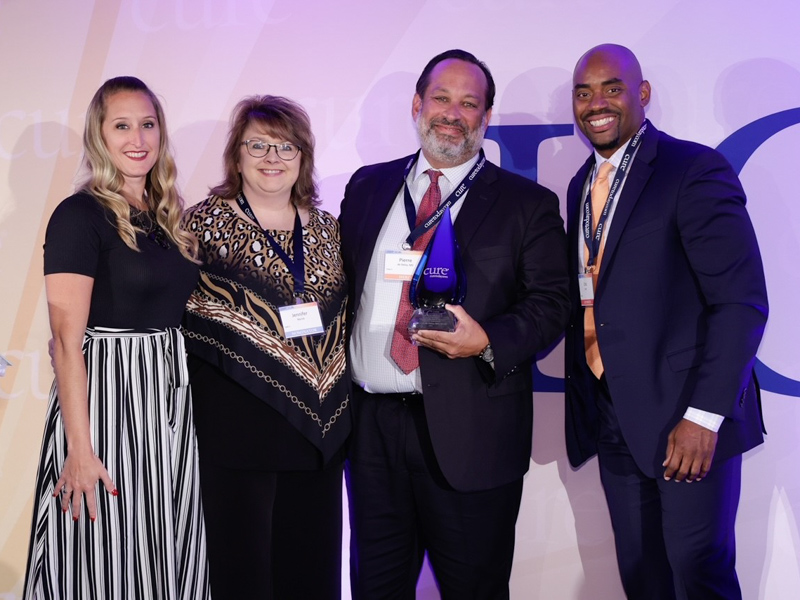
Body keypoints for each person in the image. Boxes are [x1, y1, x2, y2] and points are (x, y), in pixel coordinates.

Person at [339, 49, 570, 598]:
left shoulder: (526, 204)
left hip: (472, 432)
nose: (453, 113)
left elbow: (553, 303)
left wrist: (487, 340)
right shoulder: (367, 188)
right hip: (370, 430)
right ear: (418, 105)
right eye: (441, 98)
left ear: (485, 118)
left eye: (470, 103)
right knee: (375, 587)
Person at [563, 44, 768, 599]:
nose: (596, 103)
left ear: (642, 94)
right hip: (614, 419)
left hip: (686, 419)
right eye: (584, 92)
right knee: (643, 577)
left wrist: (704, 417)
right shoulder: (580, 185)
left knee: (698, 575)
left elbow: (741, 302)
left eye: (612, 88)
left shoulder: (692, 169)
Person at [23, 76, 209, 599]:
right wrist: (80, 450)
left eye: (147, 124)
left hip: (170, 403)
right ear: (98, 136)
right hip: (108, 399)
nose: (138, 138)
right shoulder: (79, 216)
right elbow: (64, 341)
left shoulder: (167, 216)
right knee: (108, 553)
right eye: (122, 125)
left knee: (166, 544)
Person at [181, 95, 351, 599]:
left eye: (286, 146)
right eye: (258, 145)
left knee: (312, 573)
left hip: (315, 437)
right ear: (236, 154)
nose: (272, 157)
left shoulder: (327, 230)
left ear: (303, 158)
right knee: (243, 575)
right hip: (235, 433)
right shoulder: (199, 226)